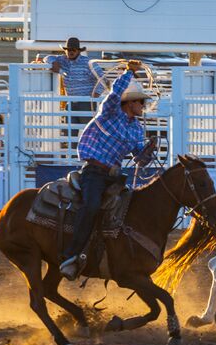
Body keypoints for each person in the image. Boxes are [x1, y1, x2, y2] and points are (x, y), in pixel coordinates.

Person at [59, 60, 157, 281]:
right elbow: (114, 94)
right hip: (94, 172)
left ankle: (112, 255)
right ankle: (70, 254)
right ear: (129, 102)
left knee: (127, 210)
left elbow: (139, 159)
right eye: (140, 101)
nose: (143, 104)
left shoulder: (136, 129)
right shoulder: (110, 112)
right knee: (91, 206)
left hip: (112, 176)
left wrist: (149, 150)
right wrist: (129, 72)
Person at [43, 37, 100, 130]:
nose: (71, 52)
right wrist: (53, 62)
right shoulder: (63, 60)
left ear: (78, 51)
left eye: (73, 50)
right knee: (69, 132)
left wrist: (95, 95)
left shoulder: (88, 63)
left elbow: (103, 79)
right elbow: (46, 58)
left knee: (88, 131)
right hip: (70, 102)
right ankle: (72, 144)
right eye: (68, 50)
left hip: (85, 102)